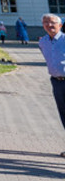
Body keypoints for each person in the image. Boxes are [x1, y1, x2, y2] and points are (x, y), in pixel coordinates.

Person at [37, 13, 65, 158]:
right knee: (63, 114)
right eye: (45, 23)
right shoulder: (43, 42)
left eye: (52, 22)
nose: (49, 25)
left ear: (60, 25)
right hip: (56, 81)